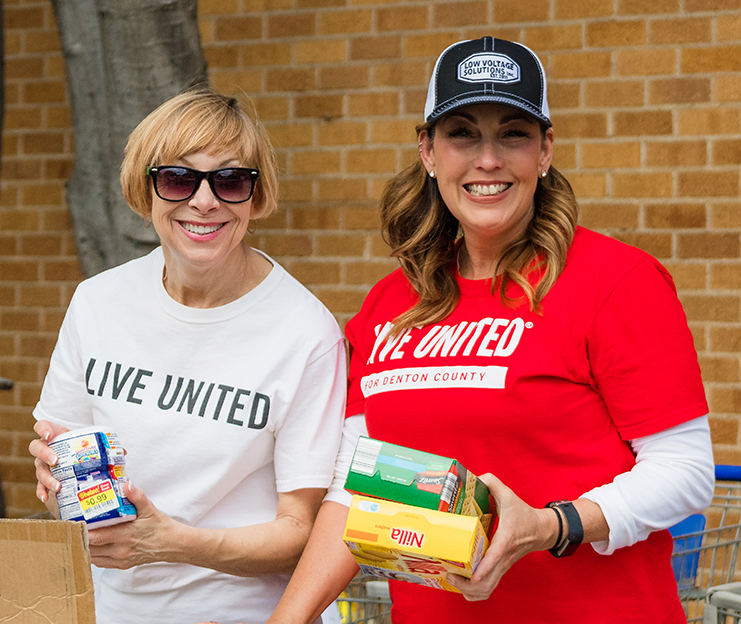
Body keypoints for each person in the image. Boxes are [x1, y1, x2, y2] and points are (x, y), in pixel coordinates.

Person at [263, 37, 716, 624]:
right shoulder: (387, 308)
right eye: (462, 134)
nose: (488, 159)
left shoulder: (617, 282)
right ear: (427, 151)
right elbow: (356, 490)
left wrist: (552, 526)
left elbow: (684, 470)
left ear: (545, 150)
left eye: (513, 133)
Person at [28, 87, 347, 624]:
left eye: (230, 180)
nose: (204, 202)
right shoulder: (98, 302)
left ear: (256, 194)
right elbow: (65, 463)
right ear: (145, 188)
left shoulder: (306, 332)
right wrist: (55, 478)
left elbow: (302, 533)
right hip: (114, 610)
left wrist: (174, 543)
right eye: (178, 178)